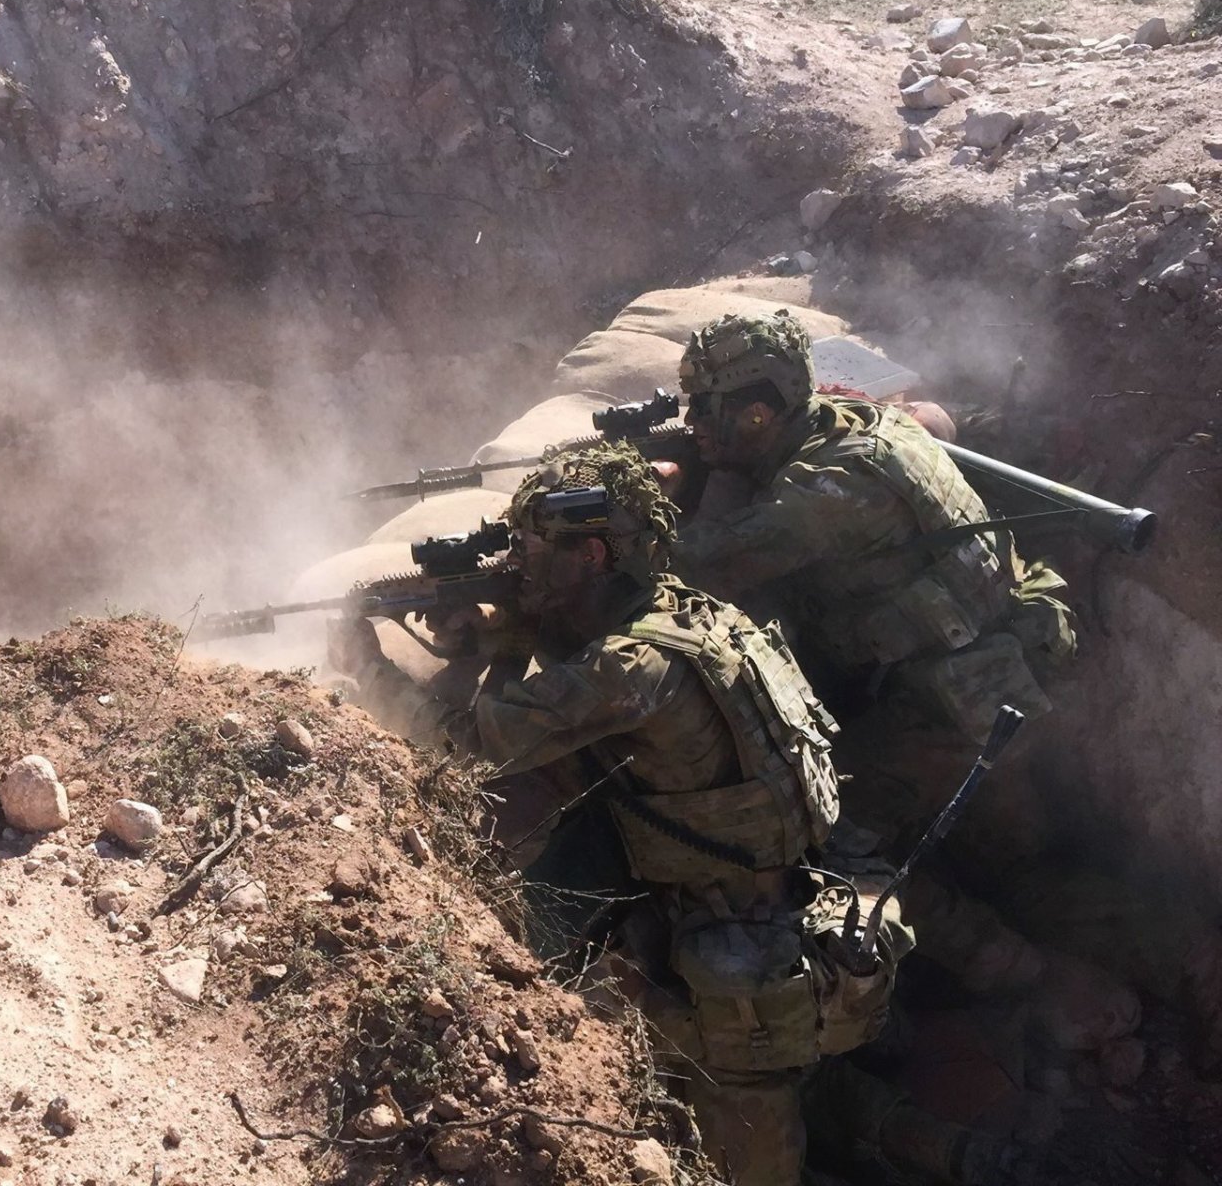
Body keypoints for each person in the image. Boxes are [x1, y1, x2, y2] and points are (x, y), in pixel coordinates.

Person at [329, 441, 907, 1186]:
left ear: (593, 554)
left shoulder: (631, 670)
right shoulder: (698, 614)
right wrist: (509, 633)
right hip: (769, 906)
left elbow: (469, 743)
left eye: (530, 546)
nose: (515, 560)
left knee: (751, 1154)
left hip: (736, 964)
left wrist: (369, 666)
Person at [666, 312, 1184, 1065]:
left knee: (820, 842)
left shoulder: (825, 491)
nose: (696, 425)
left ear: (759, 411)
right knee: (1023, 872)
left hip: (954, 713)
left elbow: (701, 562)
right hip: (1004, 675)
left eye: (709, 409)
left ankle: (1028, 979)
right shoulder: (861, 423)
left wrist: (648, 504)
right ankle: (1185, 965)